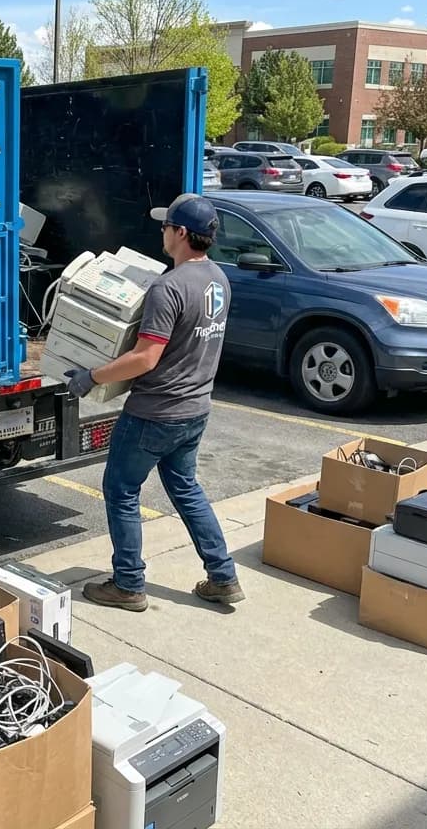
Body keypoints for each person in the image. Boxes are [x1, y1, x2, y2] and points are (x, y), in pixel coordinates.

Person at [64, 193, 242, 612]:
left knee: (121, 490)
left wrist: (91, 377)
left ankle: (128, 585)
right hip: (195, 409)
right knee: (186, 489)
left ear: (181, 233)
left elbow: (146, 357)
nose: (162, 231)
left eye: (166, 226)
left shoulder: (169, 287)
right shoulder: (218, 278)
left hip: (155, 413)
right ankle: (223, 576)